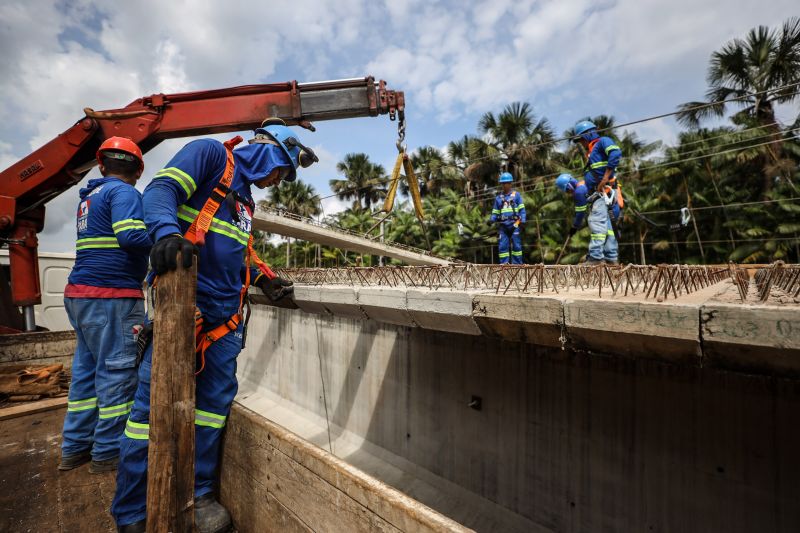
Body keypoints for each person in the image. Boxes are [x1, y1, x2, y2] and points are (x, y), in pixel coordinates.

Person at [112, 119, 308, 533]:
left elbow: (232, 255)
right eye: (281, 171)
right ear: (268, 150)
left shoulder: (245, 201)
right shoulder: (210, 155)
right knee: (148, 413)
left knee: (212, 412)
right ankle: (131, 513)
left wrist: (263, 279)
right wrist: (166, 234)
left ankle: (197, 495)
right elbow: (161, 191)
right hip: (185, 307)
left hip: (224, 322)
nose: (276, 181)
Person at [59, 137, 152, 474]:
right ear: (138, 169)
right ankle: (108, 453)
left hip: (80, 295)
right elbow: (130, 237)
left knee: (85, 375)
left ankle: (74, 448)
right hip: (111, 297)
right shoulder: (124, 193)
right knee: (118, 374)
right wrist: (172, 239)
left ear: (102, 164)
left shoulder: (89, 198)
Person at [572, 120, 624, 264]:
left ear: (589, 134)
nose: (581, 142)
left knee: (597, 223)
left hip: (603, 193)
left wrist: (605, 178)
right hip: (605, 195)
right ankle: (611, 258)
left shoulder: (602, 142)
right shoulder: (592, 151)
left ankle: (595, 257)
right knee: (609, 228)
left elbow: (615, 153)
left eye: (582, 139)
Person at [489, 171, 526, 264]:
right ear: (501, 184)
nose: (505, 185)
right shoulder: (498, 198)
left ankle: (517, 265)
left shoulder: (516, 195)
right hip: (503, 226)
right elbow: (495, 212)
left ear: (510, 183)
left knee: (517, 246)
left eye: (507, 183)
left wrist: (523, 220)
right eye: (503, 183)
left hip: (515, 224)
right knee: (502, 246)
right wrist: (491, 220)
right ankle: (504, 265)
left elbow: (522, 209)